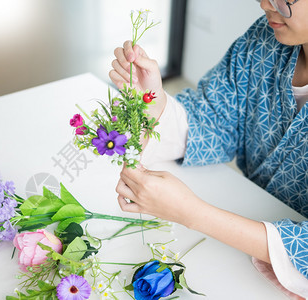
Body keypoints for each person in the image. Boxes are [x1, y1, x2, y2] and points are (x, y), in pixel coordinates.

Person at [110, 0, 307, 298]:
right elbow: (215, 117)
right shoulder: (264, 40)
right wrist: (154, 102)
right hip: (240, 220)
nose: (266, 4)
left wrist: (191, 213)